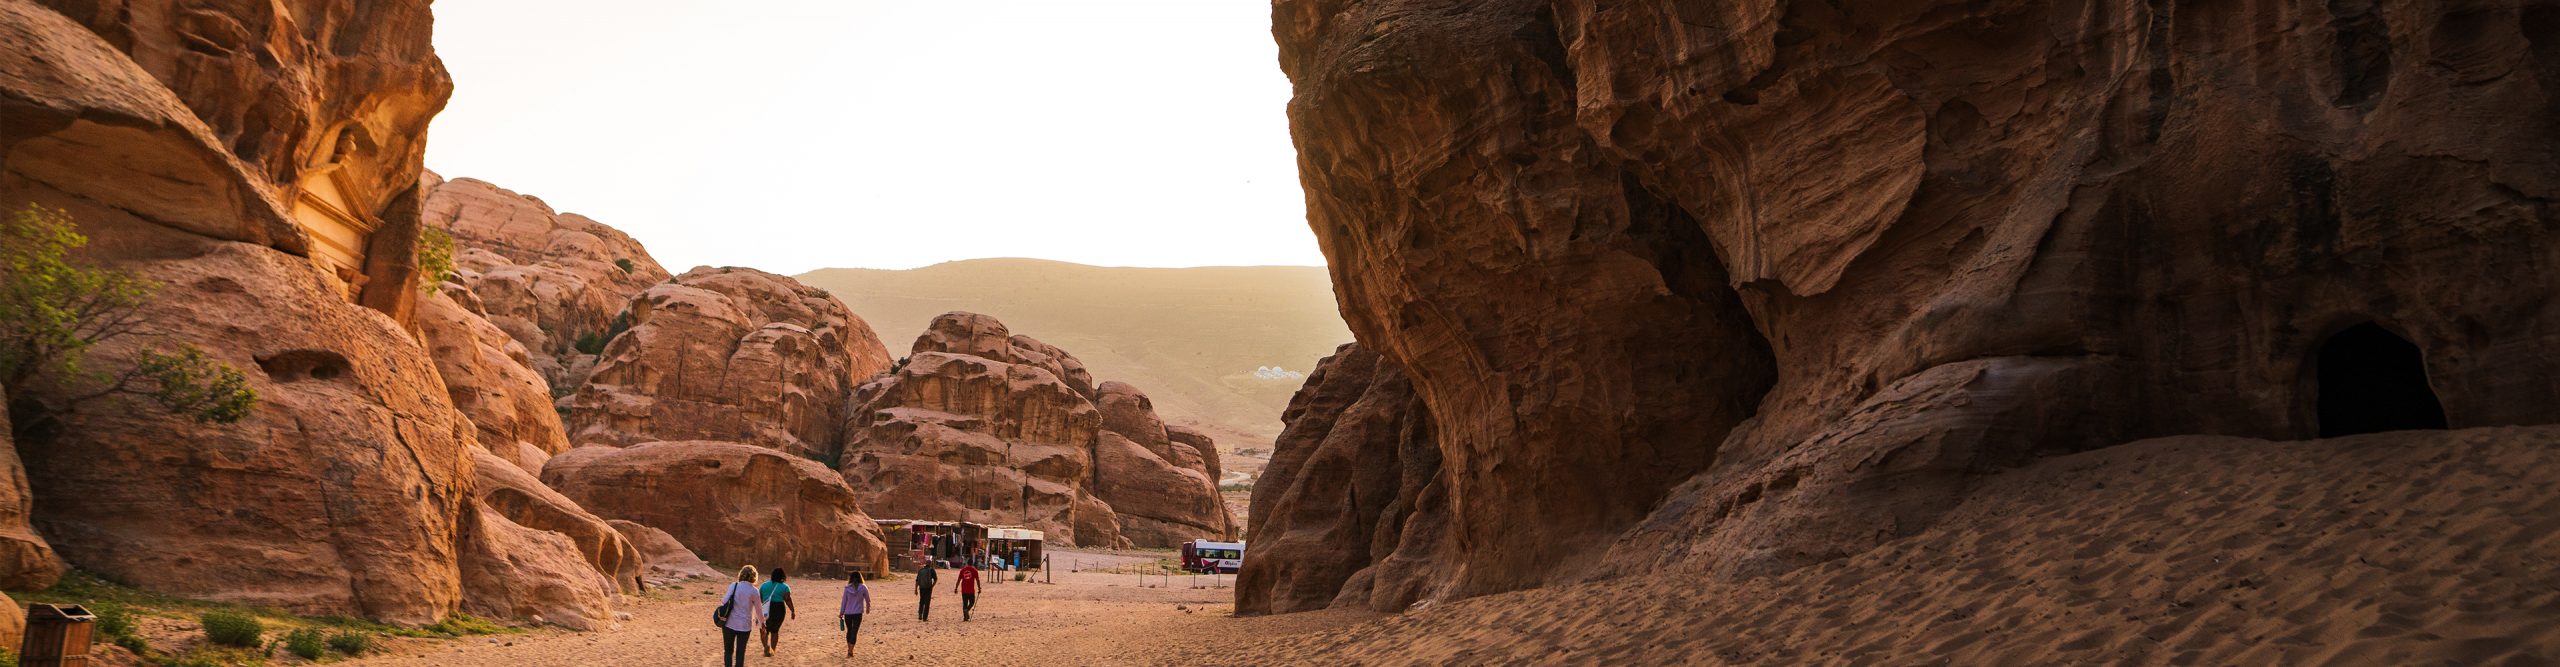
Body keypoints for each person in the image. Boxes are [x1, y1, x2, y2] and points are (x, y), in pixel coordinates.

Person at [718, 566, 767, 667]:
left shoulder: (734, 585)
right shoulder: (754, 591)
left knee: (728, 651)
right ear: (754, 577)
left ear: (741, 574)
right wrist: (763, 625)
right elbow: (759, 611)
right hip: (745, 626)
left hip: (729, 624)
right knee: (740, 653)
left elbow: (724, 601)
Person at [757, 568, 795, 657]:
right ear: (783, 576)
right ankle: (773, 650)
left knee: (764, 630)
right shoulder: (785, 587)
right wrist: (792, 611)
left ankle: (766, 647)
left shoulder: (764, 585)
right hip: (779, 609)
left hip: (766, 608)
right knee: (775, 631)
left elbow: (760, 599)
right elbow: (787, 600)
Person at [839, 571, 870, 657]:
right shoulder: (863, 587)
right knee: (854, 631)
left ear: (851, 578)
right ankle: (851, 651)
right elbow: (868, 599)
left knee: (849, 631)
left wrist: (841, 612)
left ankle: (849, 649)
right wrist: (868, 608)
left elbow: (844, 602)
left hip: (848, 613)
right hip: (858, 613)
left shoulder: (847, 588)